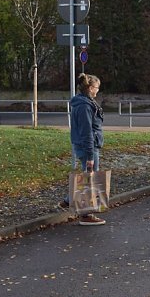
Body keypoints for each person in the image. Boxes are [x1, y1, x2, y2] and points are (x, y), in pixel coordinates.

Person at [66, 73, 106, 226]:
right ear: (90, 88)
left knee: (86, 177)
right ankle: (85, 215)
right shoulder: (84, 106)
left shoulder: (85, 102)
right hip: (88, 147)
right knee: (89, 179)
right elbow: (86, 132)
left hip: (88, 145)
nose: (97, 91)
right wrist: (90, 155)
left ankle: (67, 201)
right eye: (96, 88)